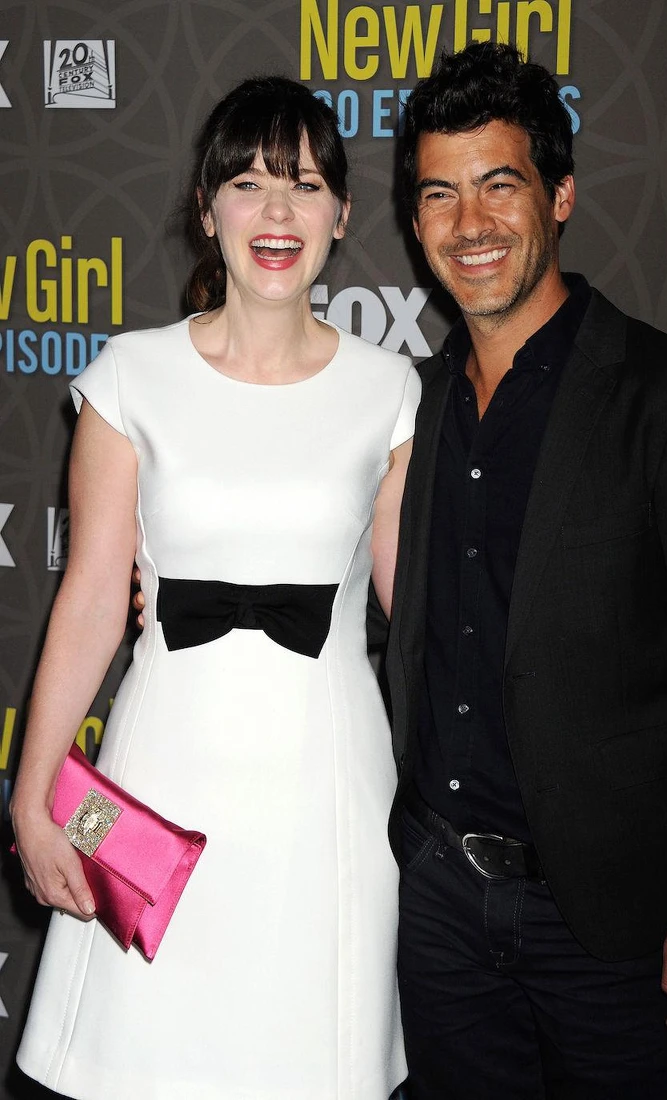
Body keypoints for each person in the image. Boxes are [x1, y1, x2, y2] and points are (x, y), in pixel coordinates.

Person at [383, 43, 667, 1099]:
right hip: (436, 904)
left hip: (608, 922)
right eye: (439, 194)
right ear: (414, 221)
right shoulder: (406, 408)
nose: (469, 223)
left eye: (499, 184)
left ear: (559, 195)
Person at [11, 75, 419, 1100]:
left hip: (329, 792)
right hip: (157, 778)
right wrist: (33, 792)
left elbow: (418, 614)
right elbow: (91, 598)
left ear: (341, 214)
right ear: (207, 209)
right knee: (133, 1056)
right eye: (248, 183)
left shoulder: (389, 389)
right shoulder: (129, 375)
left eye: (305, 184)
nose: (277, 211)